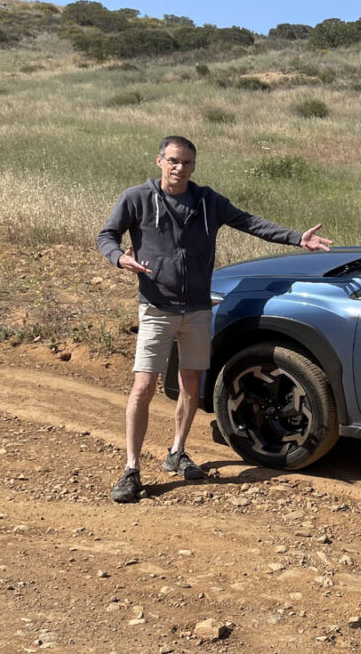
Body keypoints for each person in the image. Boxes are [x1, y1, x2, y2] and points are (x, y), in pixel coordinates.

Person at [97, 136, 332, 503]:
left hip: (197, 309)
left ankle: (177, 452)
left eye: (187, 162)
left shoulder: (208, 202)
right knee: (143, 387)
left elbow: (250, 222)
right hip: (157, 307)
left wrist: (297, 239)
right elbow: (106, 235)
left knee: (191, 383)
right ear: (160, 161)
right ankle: (131, 468)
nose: (180, 168)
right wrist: (119, 258)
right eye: (174, 161)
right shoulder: (137, 198)